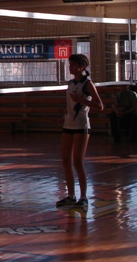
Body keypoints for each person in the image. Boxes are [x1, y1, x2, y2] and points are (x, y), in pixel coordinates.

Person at [56, 54, 103, 210]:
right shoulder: (70, 83)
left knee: (77, 161)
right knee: (65, 160)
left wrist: (81, 100)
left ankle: (83, 197)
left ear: (81, 67)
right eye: (69, 64)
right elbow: (70, 105)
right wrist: (64, 116)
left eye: (73, 64)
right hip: (68, 124)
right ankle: (71, 196)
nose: (70, 67)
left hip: (81, 125)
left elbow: (100, 106)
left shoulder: (87, 83)